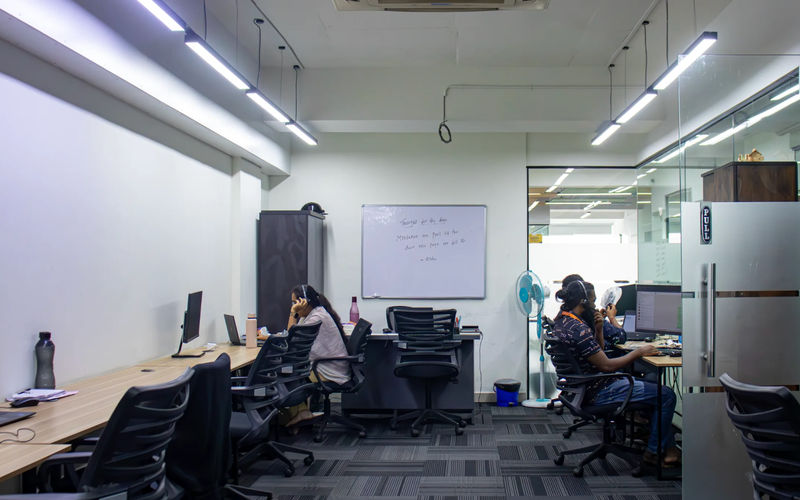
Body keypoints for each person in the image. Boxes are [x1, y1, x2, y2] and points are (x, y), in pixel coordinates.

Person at [553, 279, 680, 467]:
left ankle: (666, 448)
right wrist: (639, 352)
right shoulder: (578, 329)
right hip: (599, 390)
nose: (595, 306)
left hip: (582, 388)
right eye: (593, 301)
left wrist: (598, 330)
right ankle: (654, 452)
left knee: (654, 390)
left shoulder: (564, 322)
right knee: (666, 395)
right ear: (583, 302)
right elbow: (606, 366)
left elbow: (598, 353)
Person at [281, 284, 350, 429]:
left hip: (329, 371)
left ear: (304, 302)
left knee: (286, 372)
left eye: (295, 302)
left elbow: (290, 343)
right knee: (289, 369)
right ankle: (301, 413)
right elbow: (293, 339)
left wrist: (293, 313)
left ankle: (298, 415)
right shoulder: (312, 315)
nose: (293, 305)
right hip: (326, 365)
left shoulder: (316, 318)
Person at [561, 274, 626, 348]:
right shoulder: (582, 324)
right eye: (593, 301)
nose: (594, 306)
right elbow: (621, 337)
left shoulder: (563, 318)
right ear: (583, 298)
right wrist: (612, 318)